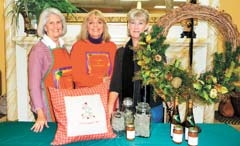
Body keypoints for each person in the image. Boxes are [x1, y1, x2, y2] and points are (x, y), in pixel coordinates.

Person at [108, 8, 164, 123]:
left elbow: (163, 81)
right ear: (128, 25)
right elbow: (116, 84)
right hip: (128, 109)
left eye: (140, 23)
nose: (136, 27)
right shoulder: (121, 53)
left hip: (152, 109)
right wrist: (109, 108)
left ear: (147, 26)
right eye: (132, 23)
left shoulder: (156, 51)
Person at [28, 8, 73, 132]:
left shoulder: (63, 47)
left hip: (64, 103)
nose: (56, 26)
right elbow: (34, 85)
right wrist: (40, 113)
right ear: (45, 27)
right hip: (46, 107)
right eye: (51, 23)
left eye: (58, 22)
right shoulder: (38, 50)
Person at [70, 9, 117, 88]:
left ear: (104, 26)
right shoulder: (78, 47)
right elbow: (76, 76)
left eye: (99, 22)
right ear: (86, 26)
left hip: (107, 94)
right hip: (85, 95)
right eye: (91, 23)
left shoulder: (112, 47)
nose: (95, 26)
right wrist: (101, 81)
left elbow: (116, 74)